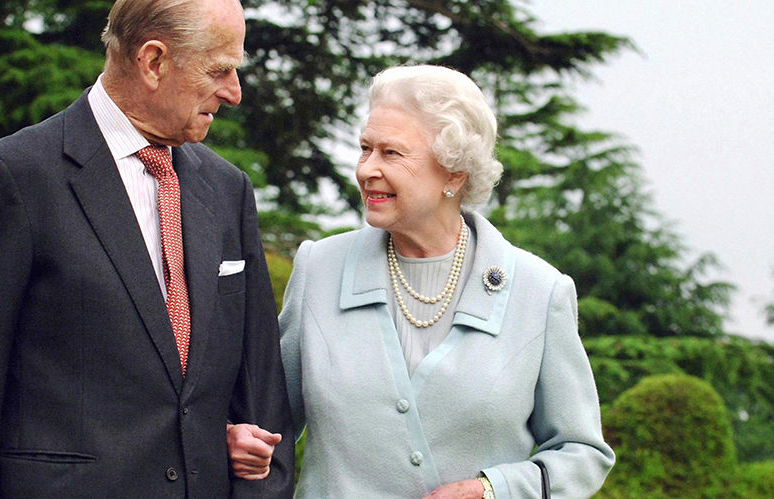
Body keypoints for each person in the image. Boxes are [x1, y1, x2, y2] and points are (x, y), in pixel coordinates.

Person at [0, 0, 293, 496]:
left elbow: (261, 388)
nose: (235, 92)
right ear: (153, 61)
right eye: (220, 70)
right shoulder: (15, 176)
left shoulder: (227, 189)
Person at [232, 65, 615, 497]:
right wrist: (238, 435)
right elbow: (265, 419)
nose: (366, 170)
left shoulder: (539, 292)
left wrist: (494, 490)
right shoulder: (319, 268)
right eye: (364, 148)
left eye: (392, 153)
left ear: (454, 173)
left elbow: (582, 452)